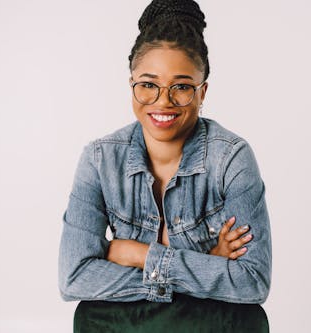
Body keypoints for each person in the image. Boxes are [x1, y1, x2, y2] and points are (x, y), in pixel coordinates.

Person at [58, 0, 272, 331]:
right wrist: (208, 264)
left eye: (182, 87)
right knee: (89, 314)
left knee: (245, 317)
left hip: (209, 325)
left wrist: (137, 254)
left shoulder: (231, 158)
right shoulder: (99, 159)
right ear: (131, 85)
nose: (163, 102)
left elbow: (252, 281)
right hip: (126, 325)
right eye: (148, 84)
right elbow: (74, 278)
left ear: (202, 92)